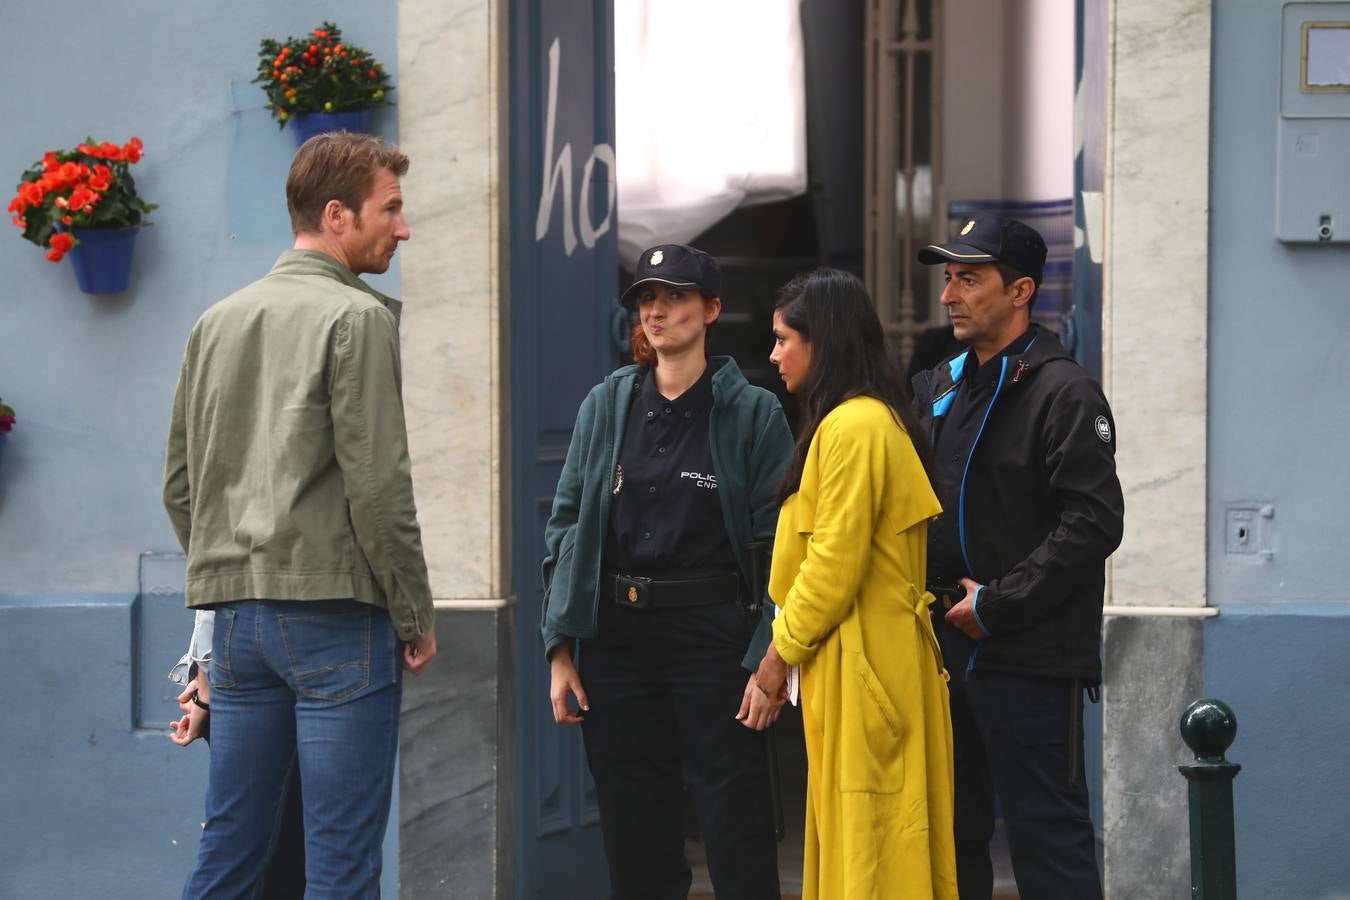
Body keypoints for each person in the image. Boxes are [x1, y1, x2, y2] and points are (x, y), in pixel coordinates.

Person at [164, 131, 437, 898]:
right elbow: (379, 487)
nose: (404, 228)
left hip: (241, 628)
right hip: (337, 620)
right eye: (392, 209)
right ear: (337, 215)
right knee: (341, 865)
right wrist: (413, 612)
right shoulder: (357, 319)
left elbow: (181, 487)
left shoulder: (215, 322)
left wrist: (236, 566)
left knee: (232, 851)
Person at [542, 243, 793, 900]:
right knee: (634, 828)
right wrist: (561, 645)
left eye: (675, 296)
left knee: (733, 819)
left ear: (711, 309)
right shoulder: (608, 402)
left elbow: (781, 549)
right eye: (647, 298)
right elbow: (566, 525)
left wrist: (769, 655)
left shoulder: (753, 412)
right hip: (617, 640)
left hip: (713, 638)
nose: (657, 310)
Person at [912, 216, 1124, 899]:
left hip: (1028, 658)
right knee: (948, 839)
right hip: (942, 652)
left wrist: (998, 603)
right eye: (949, 278)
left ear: (1021, 290)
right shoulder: (939, 383)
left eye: (970, 279)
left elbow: (1094, 523)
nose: (950, 296)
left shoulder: (1063, 392)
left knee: (1048, 843)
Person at [753, 267, 958, 900]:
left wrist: (772, 662)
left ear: (824, 341)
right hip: (859, 662)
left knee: (874, 859)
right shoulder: (856, 421)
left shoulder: (854, 427)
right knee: (867, 849)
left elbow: (831, 569)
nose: (774, 353)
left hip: (867, 664)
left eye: (785, 338)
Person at [167, 611, 306, 899]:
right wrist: (204, 689)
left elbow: (212, 589)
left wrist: (204, 687)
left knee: (239, 849)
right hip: (313, 657)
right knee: (309, 855)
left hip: (232, 667)